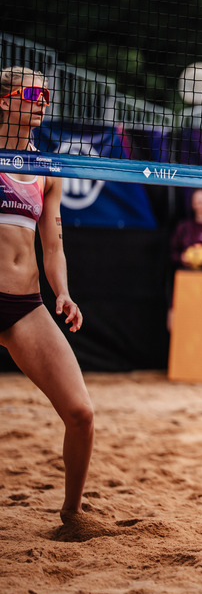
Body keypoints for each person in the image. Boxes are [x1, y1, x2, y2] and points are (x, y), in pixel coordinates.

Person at [0, 66, 97, 530]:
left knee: (80, 413)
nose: (42, 100)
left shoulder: (46, 170)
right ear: (5, 101)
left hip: (23, 305)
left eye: (46, 94)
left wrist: (64, 293)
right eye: (33, 92)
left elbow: (53, 246)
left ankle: (72, 516)